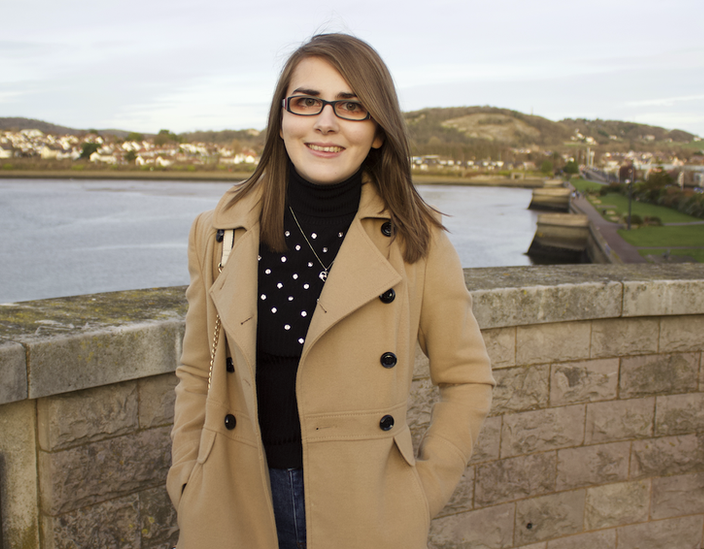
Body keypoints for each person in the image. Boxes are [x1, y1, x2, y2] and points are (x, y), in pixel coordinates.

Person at [168, 33, 495, 549]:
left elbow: (468, 378)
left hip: (367, 510)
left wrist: (422, 490)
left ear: (380, 131)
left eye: (352, 106)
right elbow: (197, 370)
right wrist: (187, 477)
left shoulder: (418, 242)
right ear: (282, 119)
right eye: (306, 101)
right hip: (230, 503)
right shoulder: (219, 233)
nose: (326, 121)